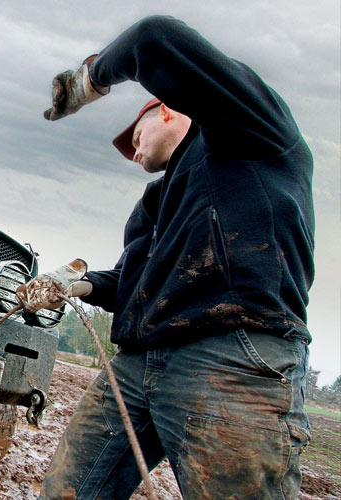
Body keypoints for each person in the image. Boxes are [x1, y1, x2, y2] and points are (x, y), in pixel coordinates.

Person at [18, 15, 314, 500]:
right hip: (136, 366)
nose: (130, 151)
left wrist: (88, 80)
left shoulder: (252, 133)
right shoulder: (156, 203)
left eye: (134, 136)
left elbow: (154, 38)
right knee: (66, 492)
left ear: (170, 111)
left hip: (231, 361)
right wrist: (71, 283)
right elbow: (130, 284)